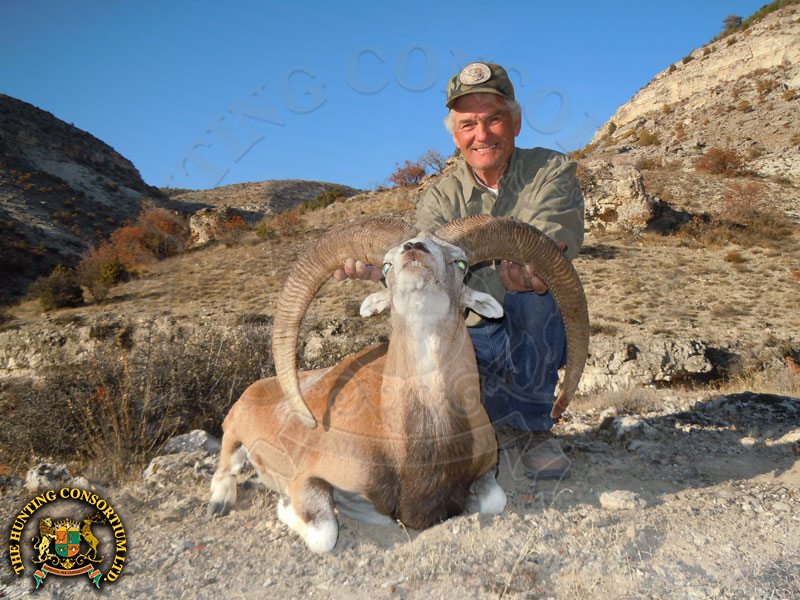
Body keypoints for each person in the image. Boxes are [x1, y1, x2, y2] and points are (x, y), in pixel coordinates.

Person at [335, 62, 584, 480]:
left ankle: (531, 429)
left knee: (534, 298)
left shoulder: (551, 171)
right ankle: (478, 421)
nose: (481, 135)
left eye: (494, 120)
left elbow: (550, 240)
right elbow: (424, 267)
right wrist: (379, 271)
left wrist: (534, 269)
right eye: (468, 124)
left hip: (531, 331)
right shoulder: (439, 200)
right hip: (470, 339)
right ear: (455, 135)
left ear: (517, 122)